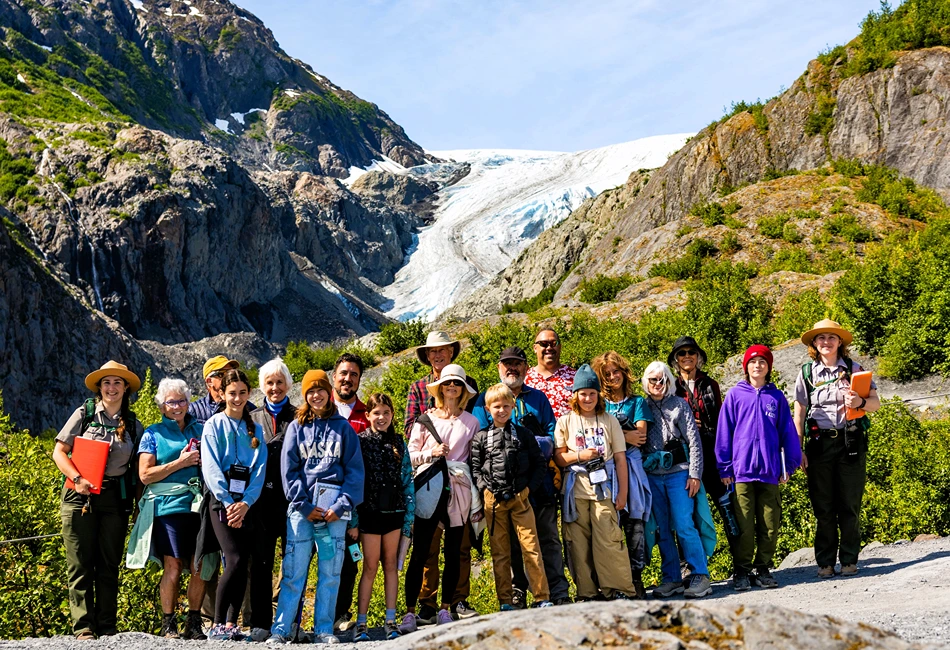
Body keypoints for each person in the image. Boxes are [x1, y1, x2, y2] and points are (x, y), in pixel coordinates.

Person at [268, 370, 364, 645]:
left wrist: (341, 505)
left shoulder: (343, 428)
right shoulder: (296, 428)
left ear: (328, 391)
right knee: (293, 572)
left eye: (321, 389)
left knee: (330, 572)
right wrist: (303, 504)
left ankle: (324, 629)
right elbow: (289, 471)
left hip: (335, 513)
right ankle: (282, 629)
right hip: (302, 512)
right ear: (305, 395)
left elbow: (354, 472)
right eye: (310, 391)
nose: (316, 395)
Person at [471, 347, 570, 607]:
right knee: (510, 545)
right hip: (502, 485)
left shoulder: (539, 398)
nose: (511, 368)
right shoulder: (484, 400)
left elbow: (552, 434)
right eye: (507, 364)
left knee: (547, 538)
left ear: (526, 367)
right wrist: (485, 487)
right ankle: (516, 592)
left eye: (517, 364)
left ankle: (556, 591)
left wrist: (531, 443)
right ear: (498, 368)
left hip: (539, 483)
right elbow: (482, 443)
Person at [52, 361, 143, 640]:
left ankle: (107, 626)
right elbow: (59, 452)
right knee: (80, 563)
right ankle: (83, 628)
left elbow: (138, 471)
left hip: (115, 498)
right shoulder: (84, 414)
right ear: (99, 387)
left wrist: (139, 506)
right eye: (106, 383)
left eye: (117, 383)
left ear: (126, 387)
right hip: (78, 495)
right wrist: (77, 479)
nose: (111, 388)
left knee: (108, 563)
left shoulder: (136, 425)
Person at [400, 364, 483, 633]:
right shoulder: (425, 420)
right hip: (430, 487)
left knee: (455, 551)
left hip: (458, 488)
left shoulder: (472, 422)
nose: (451, 387)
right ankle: (411, 611)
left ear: (463, 390)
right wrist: (432, 453)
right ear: (440, 387)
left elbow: (473, 459)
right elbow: (410, 456)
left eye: (457, 384)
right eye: (447, 383)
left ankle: (446, 608)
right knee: (422, 551)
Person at [794, 319, 879, 579]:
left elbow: (875, 404)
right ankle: (826, 563)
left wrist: (860, 401)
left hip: (850, 441)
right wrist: (799, 449)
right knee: (823, 506)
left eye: (831, 337)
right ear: (814, 344)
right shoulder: (806, 373)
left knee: (850, 504)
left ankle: (850, 560)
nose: (826, 342)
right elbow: (799, 413)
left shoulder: (856, 370)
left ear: (840, 342)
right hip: (819, 445)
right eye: (821, 338)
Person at [126, 377, 207, 640]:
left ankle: (194, 623)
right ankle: (168, 622)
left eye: (182, 400)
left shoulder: (201, 429)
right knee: (172, 564)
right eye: (171, 402)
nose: (177, 406)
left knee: (200, 563)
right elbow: (145, 475)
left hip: (197, 505)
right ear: (162, 406)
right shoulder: (152, 434)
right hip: (166, 506)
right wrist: (180, 463)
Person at [716, 345, 803, 590]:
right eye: (753, 362)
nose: (757, 366)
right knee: (743, 526)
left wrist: (790, 465)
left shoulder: (776, 398)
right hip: (741, 472)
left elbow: (787, 432)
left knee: (769, 524)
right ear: (746, 366)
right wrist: (725, 468)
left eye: (762, 362)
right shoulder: (735, 395)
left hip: (770, 472)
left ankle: (763, 568)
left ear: (769, 367)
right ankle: (741, 571)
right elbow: (725, 432)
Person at [553, 364, 637, 601]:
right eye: (583, 393)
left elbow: (620, 458)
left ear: (598, 394)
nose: (587, 398)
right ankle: (587, 593)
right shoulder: (565, 421)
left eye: (591, 393)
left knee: (609, 539)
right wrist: (581, 456)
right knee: (578, 545)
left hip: (605, 490)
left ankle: (618, 589)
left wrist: (623, 494)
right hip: (575, 491)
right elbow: (559, 457)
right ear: (575, 395)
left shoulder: (609, 421)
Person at [470, 383, 552, 611]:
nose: (502, 410)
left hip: (520, 500)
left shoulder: (524, 434)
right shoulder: (480, 438)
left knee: (531, 548)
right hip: (493, 502)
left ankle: (541, 596)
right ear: (487, 409)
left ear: (513, 406)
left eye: (506, 406)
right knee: (500, 553)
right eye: (496, 406)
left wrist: (528, 490)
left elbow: (539, 464)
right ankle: (505, 601)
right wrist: (484, 490)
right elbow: (475, 468)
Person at [201, 369, 267, 641]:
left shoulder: (257, 429)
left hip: (246, 505)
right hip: (221, 503)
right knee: (235, 558)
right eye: (232, 393)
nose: (237, 398)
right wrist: (229, 503)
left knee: (243, 562)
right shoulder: (213, 425)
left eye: (242, 393)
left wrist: (247, 503)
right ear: (222, 394)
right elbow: (211, 467)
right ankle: (217, 622)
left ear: (249, 393)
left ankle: (231, 623)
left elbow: (260, 469)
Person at [641, 361, 712, 599]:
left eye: (662, 379)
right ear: (646, 382)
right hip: (653, 476)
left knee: (684, 524)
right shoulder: (642, 407)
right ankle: (671, 577)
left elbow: (694, 441)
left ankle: (699, 574)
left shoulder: (680, 405)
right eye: (653, 380)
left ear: (669, 381)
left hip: (679, 474)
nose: (658, 384)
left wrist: (695, 474)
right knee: (661, 529)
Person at [350, 393, 415, 642]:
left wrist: (408, 521)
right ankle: (362, 623)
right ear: (367, 416)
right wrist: (354, 522)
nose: (381, 417)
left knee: (391, 566)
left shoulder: (399, 441)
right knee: (369, 566)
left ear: (392, 415)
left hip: (395, 515)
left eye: (386, 413)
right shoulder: (360, 441)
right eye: (376, 413)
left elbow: (407, 481)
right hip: (369, 514)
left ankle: (391, 620)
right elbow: (355, 482)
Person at [591, 351, 654, 598]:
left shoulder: (636, 402)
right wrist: (622, 436)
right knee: (610, 525)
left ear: (624, 373)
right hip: (607, 468)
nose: (612, 377)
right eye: (606, 374)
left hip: (632, 467)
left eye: (616, 371)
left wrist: (616, 435)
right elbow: (597, 436)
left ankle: (636, 577)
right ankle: (616, 580)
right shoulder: (598, 404)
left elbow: (639, 436)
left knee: (635, 524)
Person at [667, 337, 735, 556]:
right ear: (676, 359)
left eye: (691, 352)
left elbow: (721, 423)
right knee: (685, 516)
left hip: (711, 455)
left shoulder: (710, 385)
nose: (687, 356)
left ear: (698, 357)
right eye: (682, 353)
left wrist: (703, 427)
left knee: (728, 510)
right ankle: (692, 568)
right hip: (684, 461)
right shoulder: (670, 388)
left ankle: (740, 566)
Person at [246, 359, 297, 641]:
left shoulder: (301, 416)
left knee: (292, 563)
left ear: (288, 384)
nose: (275, 388)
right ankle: (261, 622)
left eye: (279, 382)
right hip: (261, 501)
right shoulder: (252, 419)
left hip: (291, 500)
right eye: (269, 383)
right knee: (261, 563)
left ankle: (289, 621)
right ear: (262, 386)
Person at [332, 353, 370, 635]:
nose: (348, 379)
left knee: (348, 562)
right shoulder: (319, 410)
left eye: (353, 375)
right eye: (343, 373)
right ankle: (297, 618)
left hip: (353, 503)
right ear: (334, 376)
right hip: (318, 500)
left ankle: (340, 613)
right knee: (308, 559)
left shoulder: (367, 415)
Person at [525, 329, 575, 418]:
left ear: (560, 346)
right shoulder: (525, 379)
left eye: (553, 343)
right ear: (535, 348)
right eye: (543, 344)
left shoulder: (574, 376)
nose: (549, 348)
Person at [189, 356, 239, 425]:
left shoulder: (245, 406)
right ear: (209, 381)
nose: (230, 378)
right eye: (222, 374)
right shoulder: (193, 410)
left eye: (232, 373)